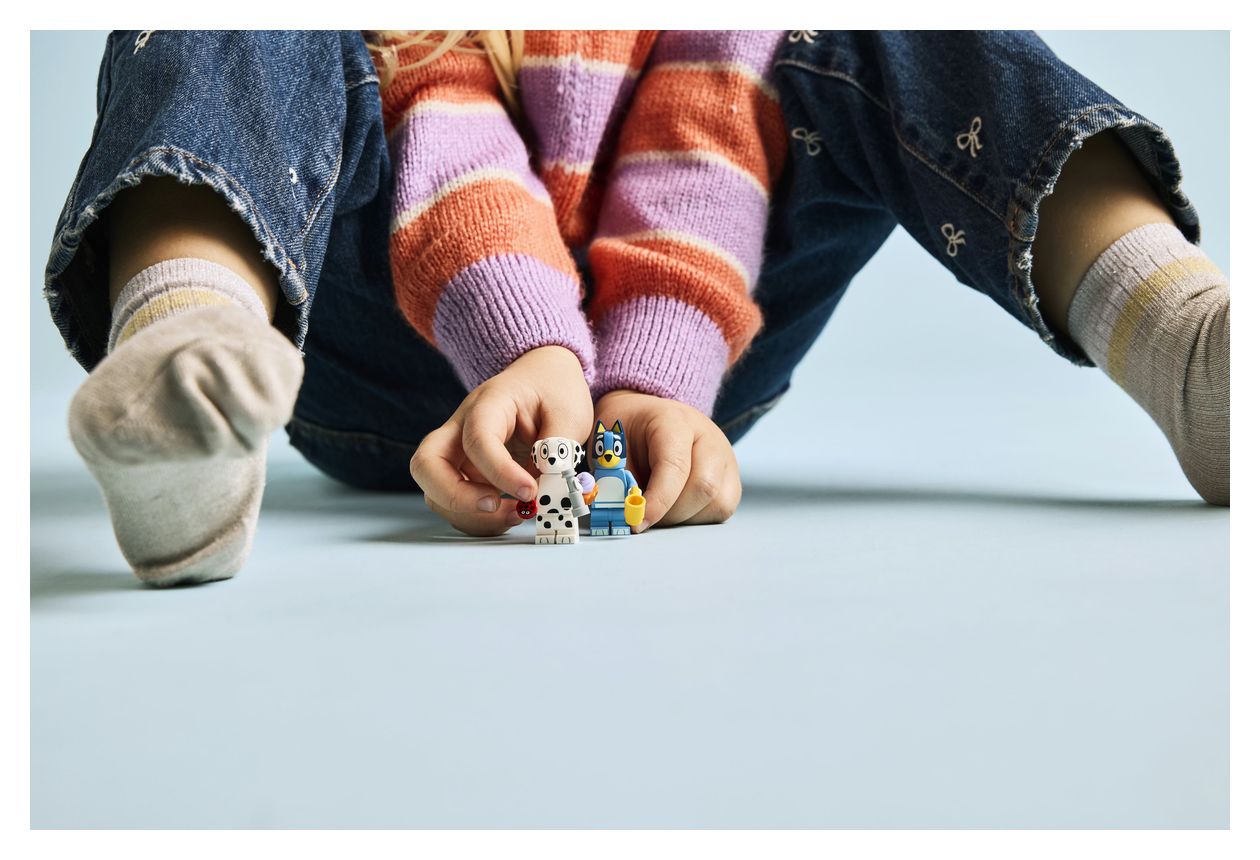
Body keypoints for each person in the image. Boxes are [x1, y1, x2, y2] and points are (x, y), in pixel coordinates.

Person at [44, 30, 1229, 587]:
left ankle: (1184, 342)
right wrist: (524, 341)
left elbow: (706, 123)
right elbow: (440, 110)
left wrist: (655, 379)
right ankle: (187, 360)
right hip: (374, 343)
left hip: (683, 367)